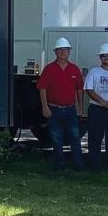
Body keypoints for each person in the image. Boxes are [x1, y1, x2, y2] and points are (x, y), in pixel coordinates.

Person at [37, 37, 85, 170]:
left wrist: (80, 107)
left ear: (69, 52)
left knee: (75, 138)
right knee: (56, 139)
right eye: (60, 49)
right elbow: (42, 88)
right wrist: (45, 107)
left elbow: (80, 90)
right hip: (54, 109)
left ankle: (79, 165)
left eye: (66, 49)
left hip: (70, 109)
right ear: (56, 52)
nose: (63, 52)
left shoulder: (75, 69)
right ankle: (60, 165)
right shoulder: (49, 69)